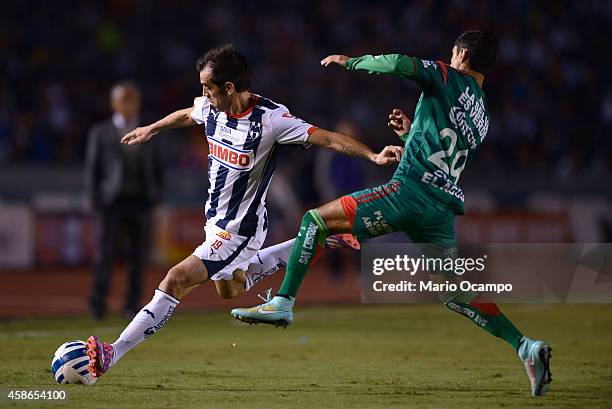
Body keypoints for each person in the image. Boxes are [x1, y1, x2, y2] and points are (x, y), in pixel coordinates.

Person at [230, 30, 553, 397]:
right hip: (439, 209)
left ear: (461, 54)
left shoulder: (448, 75)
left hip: (409, 193)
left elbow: (401, 63)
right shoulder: (482, 115)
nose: (448, 56)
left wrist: (349, 61)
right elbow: (443, 152)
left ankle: (282, 302)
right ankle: (525, 346)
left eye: (452, 51)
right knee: (454, 294)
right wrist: (411, 133)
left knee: (315, 220)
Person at [85, 44, 402, 379]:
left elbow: (324, 138)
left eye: (208, 87)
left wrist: (373, 156)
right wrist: (153, 128)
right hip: (216, 223)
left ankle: (112, 352)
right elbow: (186, 113)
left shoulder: (271, 119)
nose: (203, 94)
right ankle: (312, 242)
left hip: (240, 228)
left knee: (175, 279)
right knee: (231, 288)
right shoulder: (210, 107)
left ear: (229, 88)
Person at [85, 81, 164, 320]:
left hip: (140, 201)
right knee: (105, 254)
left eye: (132, 99)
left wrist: (155, 194)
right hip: (112, 202)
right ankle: (98, 304)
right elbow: (93, 169)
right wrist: (95, 200)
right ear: (114, 103)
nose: (128, 104)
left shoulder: (149, 129)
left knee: (138, 256)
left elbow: (158, 166)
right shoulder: (101, 132)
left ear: (138, 102)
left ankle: (132, 304)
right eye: (123, 99)